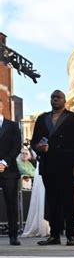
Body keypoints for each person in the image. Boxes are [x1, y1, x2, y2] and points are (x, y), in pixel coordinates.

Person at [31, 90, 74, 246]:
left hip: (67, 164)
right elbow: (34, 140)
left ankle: (70, 235)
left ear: (64, 100)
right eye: (52, 98)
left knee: (68, 200)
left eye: (58, 98)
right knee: (52, 200)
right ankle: (54, 235)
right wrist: (38, 148)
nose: (55, 100)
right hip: (48, 164)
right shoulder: (42, 119)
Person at [0, 97, 22, 245]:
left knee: (11, 203)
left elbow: (16, 146)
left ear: (2, 106)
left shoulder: (13, 126)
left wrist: (4, 162)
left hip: (9, 170)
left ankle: (13, 236)